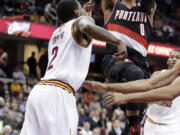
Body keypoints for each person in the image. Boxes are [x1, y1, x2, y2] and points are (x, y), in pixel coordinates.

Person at [20, 0, 127, 135]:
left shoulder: (55, 34)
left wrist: (88, 16)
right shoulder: (78, 23)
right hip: (59, 94)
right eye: (80, 8)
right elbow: (84, 25)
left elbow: (84, 31)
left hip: (39, 92)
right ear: (77, 12)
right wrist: (118, 41)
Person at [83, 51, 180, 134]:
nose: (174, 60)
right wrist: (107, 87)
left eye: (178, 57)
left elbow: (169, 93)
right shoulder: (164, 73)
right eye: (172, 57)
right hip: (151, 124)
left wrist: (125, 97)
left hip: (173, 127)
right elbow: (148, 84)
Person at [100, 0, 156, 134]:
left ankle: (131, 127)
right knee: (134, 74)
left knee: (141, 110)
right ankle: (133, 125)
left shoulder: (147, 8)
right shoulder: (112, 5)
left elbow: (150, 4)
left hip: (140, 61)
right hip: (116, 56)